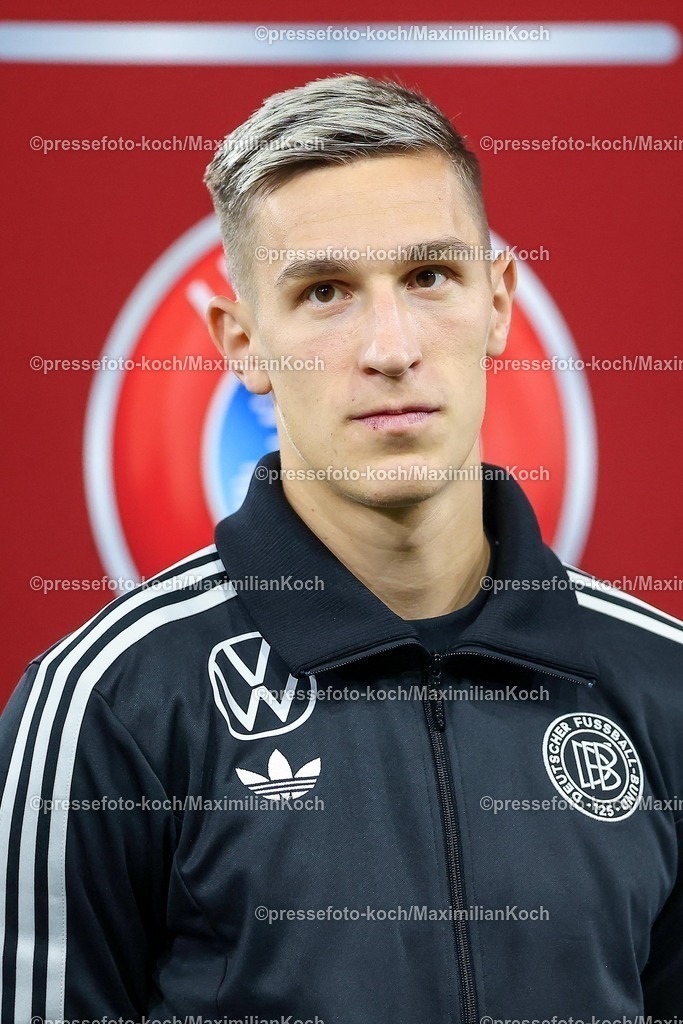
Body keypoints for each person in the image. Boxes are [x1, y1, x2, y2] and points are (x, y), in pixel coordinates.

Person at [1, 74, 681, 1023]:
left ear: (498, 303)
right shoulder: (112, 706)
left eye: (428, 277)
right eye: (325, 292)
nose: (391, 345)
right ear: (241, 343)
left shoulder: (663, 684)